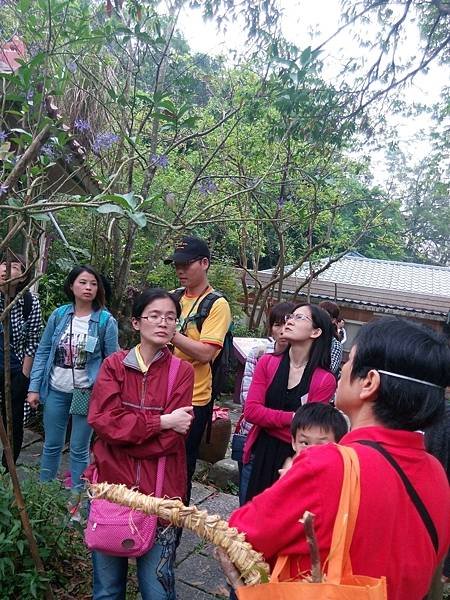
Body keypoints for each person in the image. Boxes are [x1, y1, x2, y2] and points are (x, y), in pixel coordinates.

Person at [228, 318, 450, 600]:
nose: (343, 367)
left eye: (351, 359)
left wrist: (286, 485)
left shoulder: (328, 465)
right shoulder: (435, 472)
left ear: (369, 382)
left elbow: (239, 537)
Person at [85, 288, 195, 600]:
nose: (163, 323)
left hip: (160, 498)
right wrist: (160, 422)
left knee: (157, 591)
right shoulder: (113, 365)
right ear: (136, 323)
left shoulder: (182, 372)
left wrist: (120, 436)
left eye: (171, 317)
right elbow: (103, 420)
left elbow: (171, 441)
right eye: (155, 316)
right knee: (107, 591)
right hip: (112, 492)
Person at [27, 265, 118, 498]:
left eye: (93, 283)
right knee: (51, 445)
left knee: (79, 449)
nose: (88, 288)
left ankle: (77, 502)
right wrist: (34, 388)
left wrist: (108, 396)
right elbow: (44, 351)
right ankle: (43, 494)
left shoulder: (105, 321)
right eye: (83, 282)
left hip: (86, 393)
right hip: (56, 389)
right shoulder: (60, 315)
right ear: (71, 286)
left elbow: (112, 361)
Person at [242, 303, 336, 502]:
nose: (290, 320)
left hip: (294, 458)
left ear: (316, 331)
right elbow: (251, 411)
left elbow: (310, 430)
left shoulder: (324, 380)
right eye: (291, 316)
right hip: (261, 451)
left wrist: (269, 419)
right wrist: (293, 417)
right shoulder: (268, 362)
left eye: (300, 318)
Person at [164, 236, 231, 503]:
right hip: (163, 392)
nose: (180, 270)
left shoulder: (216, 304)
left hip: (194, 399)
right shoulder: (173, 297)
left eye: (186, 264)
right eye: (176, 264)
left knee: (181, 466)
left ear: (204, 263)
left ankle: (175, 528)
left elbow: (206, 353)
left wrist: (171, 334)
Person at [236, 301, 295, 505]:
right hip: (250, 434)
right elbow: (248, 402)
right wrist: (290, 417)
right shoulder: (260, 354)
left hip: (282, 445)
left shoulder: (302, 362)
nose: (282, 330)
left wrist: (266, 413)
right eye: (277, 324)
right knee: (246, 499)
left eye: (288, 324)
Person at [0, 252, 42, 466]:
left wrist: (24, 376)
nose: (7, 269)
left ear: (24, 276)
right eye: (3, 264)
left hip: (15, 371)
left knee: (13, 425)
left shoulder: (29, 302)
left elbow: (33, 341)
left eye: (15, 266)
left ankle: (7, 472)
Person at [279, 402, 348, 477]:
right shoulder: (289, 473)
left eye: (321, 445)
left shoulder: (338, 477)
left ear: (338, 445)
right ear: (294, 442)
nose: (310, 451)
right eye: (305, 443)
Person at [319, 300, 343, 376]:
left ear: (333, 320)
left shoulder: (335, 345)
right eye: (318, 312)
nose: (319, 316)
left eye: (324, 314)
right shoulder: (308, 336)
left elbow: (330, 371)